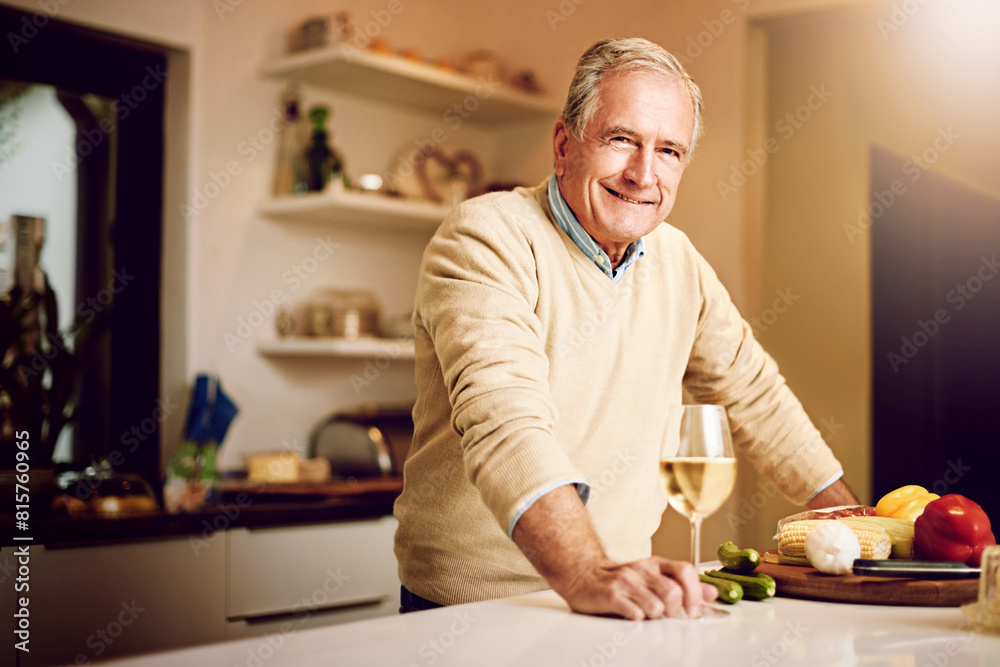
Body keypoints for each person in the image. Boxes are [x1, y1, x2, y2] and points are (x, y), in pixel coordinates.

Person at [393, 37, 856, 620]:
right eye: (621, 140)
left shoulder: (677, 259)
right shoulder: (486, 236)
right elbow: (504, 419)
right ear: (565, 145)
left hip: (616, 595)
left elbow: (755, 395)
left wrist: (858, 532)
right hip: (476, 607)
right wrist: (585, 570)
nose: (643, 174)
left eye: (669, 151)